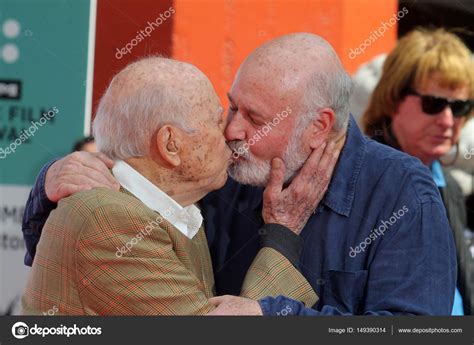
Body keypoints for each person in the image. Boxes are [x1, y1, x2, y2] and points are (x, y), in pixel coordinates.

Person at [23, 33, 457, 315]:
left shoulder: (401, 193)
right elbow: (110, 226)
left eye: (254, 117)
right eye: (232, 106)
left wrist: (277, 317)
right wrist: (50, 184)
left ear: (318, 127)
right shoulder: (224, 173)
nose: (232, 130)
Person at [21, 57, 337, 315]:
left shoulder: (174, 209)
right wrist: (282, 236)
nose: (229, 133)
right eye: (217, 121)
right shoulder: (111, 217)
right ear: (170, 144)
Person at [361, 28, 474, 315]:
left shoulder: (449, 185)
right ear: (393, 98)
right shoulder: (358, 177)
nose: (448, 120)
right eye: (433, 104)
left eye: (459, 107)